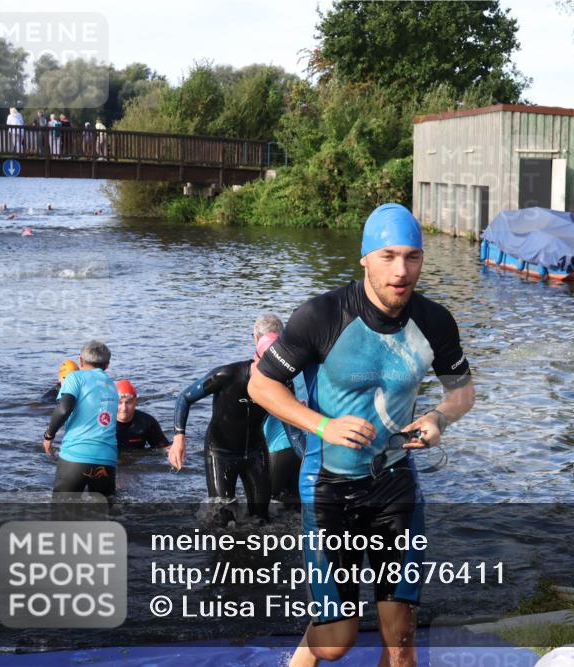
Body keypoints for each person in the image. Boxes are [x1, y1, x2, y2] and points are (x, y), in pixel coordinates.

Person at [248, 203, 475, 666]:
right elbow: (260, 384)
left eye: (412, 257)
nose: (401, 270)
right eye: (388, 256)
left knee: (401, 639)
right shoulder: (322, 315)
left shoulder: (434, 321)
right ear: (365, 258)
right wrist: (323, 425)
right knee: (335, 643)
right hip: (329, 483)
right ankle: (302, 656)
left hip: (394, 483)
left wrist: (438, 419)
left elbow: (463, 392)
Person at [169, 314, 284, 521]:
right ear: (256, 340)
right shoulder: (226, 375)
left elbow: (292, 427)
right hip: (220, 452)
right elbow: (185, 397)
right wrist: (179, 438)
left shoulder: (282, 382)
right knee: (222, 519)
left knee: (262, 519)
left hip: (256, 452)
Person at [43, 341, 118, 498]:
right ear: (107, 364)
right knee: (104, 516)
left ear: (81, 360)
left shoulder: (74, 378)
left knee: (63, 513)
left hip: (76, 456)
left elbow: (63, 408)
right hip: (107, 458)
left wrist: (49, 435)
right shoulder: (112, 386)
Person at [254, 333, 305, 508]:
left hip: (277, 451)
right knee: (296, 505)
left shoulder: (262, 383)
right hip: (302, 449)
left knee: (266, 508)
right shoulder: (299, 374)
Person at [115, 379, 169, 451]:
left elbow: (164, 448)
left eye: (128, 402)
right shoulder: (103, 423)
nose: (124, 408)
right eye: (119, 403)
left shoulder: (147, 422)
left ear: (135, 402)